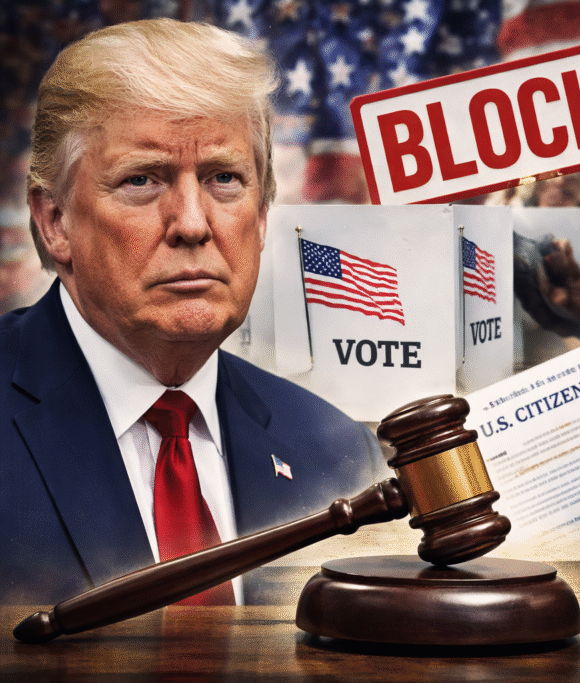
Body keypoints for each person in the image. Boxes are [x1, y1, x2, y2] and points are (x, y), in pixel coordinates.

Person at [0, 19, 384, 606]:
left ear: (260, 219)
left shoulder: (335, 450)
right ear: (55, 222)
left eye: (224, 179)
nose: (193, 223)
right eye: (142, 180)